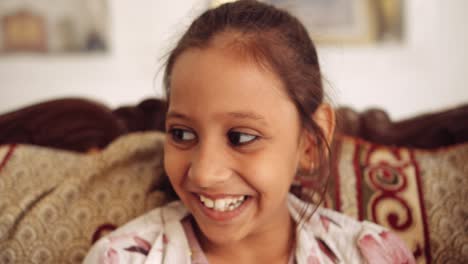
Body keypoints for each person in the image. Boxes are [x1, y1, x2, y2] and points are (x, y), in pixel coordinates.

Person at [84, 1, 415, 263]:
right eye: (183, 134)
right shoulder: (119, 258)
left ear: (310, 143)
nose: (204, 173)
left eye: (240, 137)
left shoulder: (369, 255)